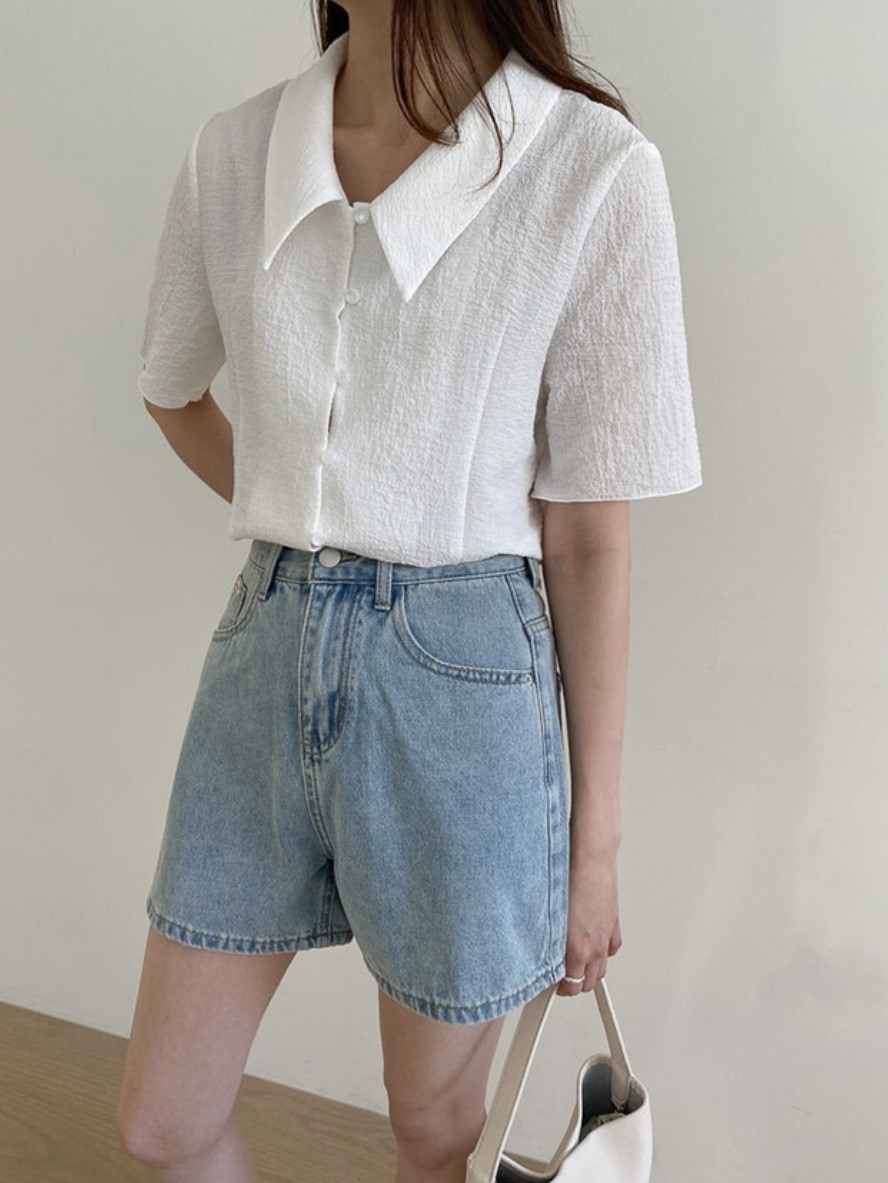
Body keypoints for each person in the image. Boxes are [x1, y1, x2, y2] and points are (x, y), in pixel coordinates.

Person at [115, 0, 703, 1179]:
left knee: (434, 1128)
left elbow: (590, 535)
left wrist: (594, 847)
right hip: (263, 651)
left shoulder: (590, 167)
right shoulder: (237, 152)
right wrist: (308, 509)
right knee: (161, 1121)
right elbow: (171, 384)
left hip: (466, 678)